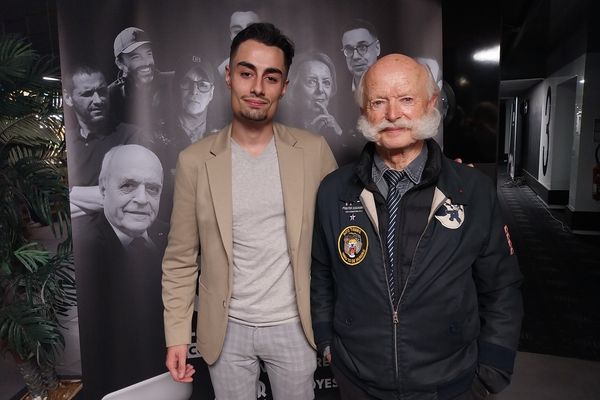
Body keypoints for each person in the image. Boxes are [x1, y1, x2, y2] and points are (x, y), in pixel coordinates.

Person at [311, 54, 523, 400]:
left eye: (406, 99)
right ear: (365, 110)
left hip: (450, 384)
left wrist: (491, 370)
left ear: (431, 103)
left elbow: (502, 287)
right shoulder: (334, 190)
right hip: (358, 381)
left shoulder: (472, 190)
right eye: (379, 101)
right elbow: (321, 272)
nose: (393, 114)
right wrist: (325, 338)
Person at [161, 23, 337, 400]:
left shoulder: (314, 150)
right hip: (226, 331)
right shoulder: (194, 161)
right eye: (247, 73)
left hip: (295, 326)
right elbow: (180, 259)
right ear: (229, 76)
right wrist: (177, 335)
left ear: (284, 86)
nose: (257, 88)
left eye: (271, 77)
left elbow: (346, 232)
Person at [73, 144, 168, 399]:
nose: (142, 199)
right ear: (103, 191)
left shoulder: (172, 236)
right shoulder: (82, 248)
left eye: (152, 188)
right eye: (128, 185)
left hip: (171, 376)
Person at [62, 66, 141, 217]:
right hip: (75, 237)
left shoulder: (131, 135)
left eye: (102, 91)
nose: (98, 100)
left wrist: (71, 193)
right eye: (87, 94)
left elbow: (129, 195)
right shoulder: (67, 142)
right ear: (68, 98)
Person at [108, 27, 174, 138]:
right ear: (120, 63)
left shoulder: (173, 83)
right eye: (136, 57)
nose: (146, 63)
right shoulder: (109, 97)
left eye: (149, 54)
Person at [280, 52, 344, 159]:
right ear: (294, 88)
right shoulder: (281, 128)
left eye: (326, 82)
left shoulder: (340, 129)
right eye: (311, 82)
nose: (320, 90)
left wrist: (339, 136)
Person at [341, 19, 380, 93]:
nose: (355, 57)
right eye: (349, 49)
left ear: (377, 48)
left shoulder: (395, 88)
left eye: (362, 47)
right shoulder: (336, 96)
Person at [217, 10, 261, 77]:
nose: (245, 36)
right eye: (237, 31)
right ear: (231, 36)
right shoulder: (220, 71)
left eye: (252, 30)